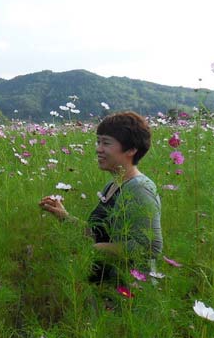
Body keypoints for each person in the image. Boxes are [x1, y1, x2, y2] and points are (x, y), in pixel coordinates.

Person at [39, 112, 163, 286]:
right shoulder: (113, 185)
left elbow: (151, 247)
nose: (98, 148)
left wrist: (97, 249)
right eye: (98, 142)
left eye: (106, 143)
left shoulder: (139, 188)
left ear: (131, 149)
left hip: (130, 292)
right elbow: (99, 234)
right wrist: (65, 217)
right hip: (107, 285)